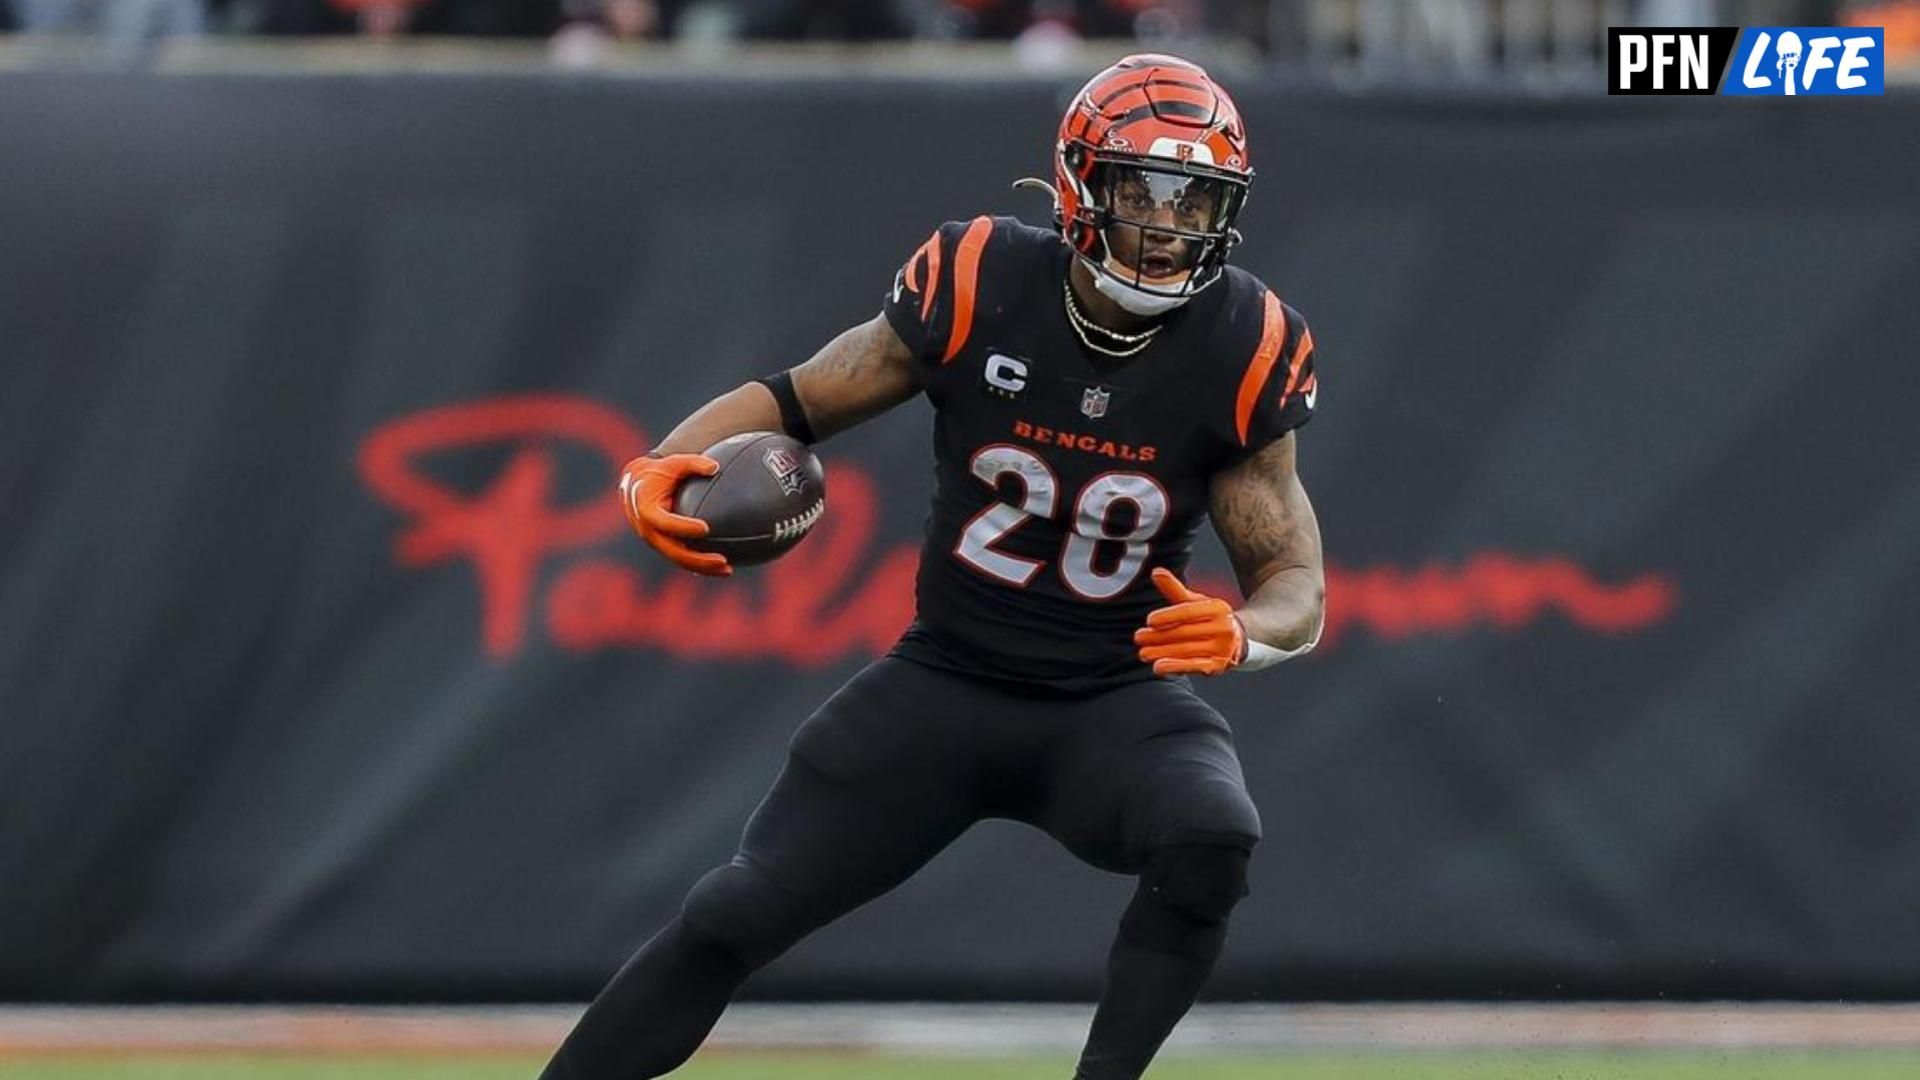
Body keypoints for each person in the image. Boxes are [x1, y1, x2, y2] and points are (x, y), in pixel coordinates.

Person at [543, 52, 1324, 1080]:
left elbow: (1296, 586)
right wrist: (658, 463)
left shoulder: (1246, 342)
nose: (1172, 224)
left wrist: (1241, 634)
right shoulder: (981, 278)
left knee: (1211, 833)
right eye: (1147, 191)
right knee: (734, 910)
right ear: (1082, 185)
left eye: (1198, 199)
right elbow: (799, 398)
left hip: (1113, 696)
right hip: (945, 680)